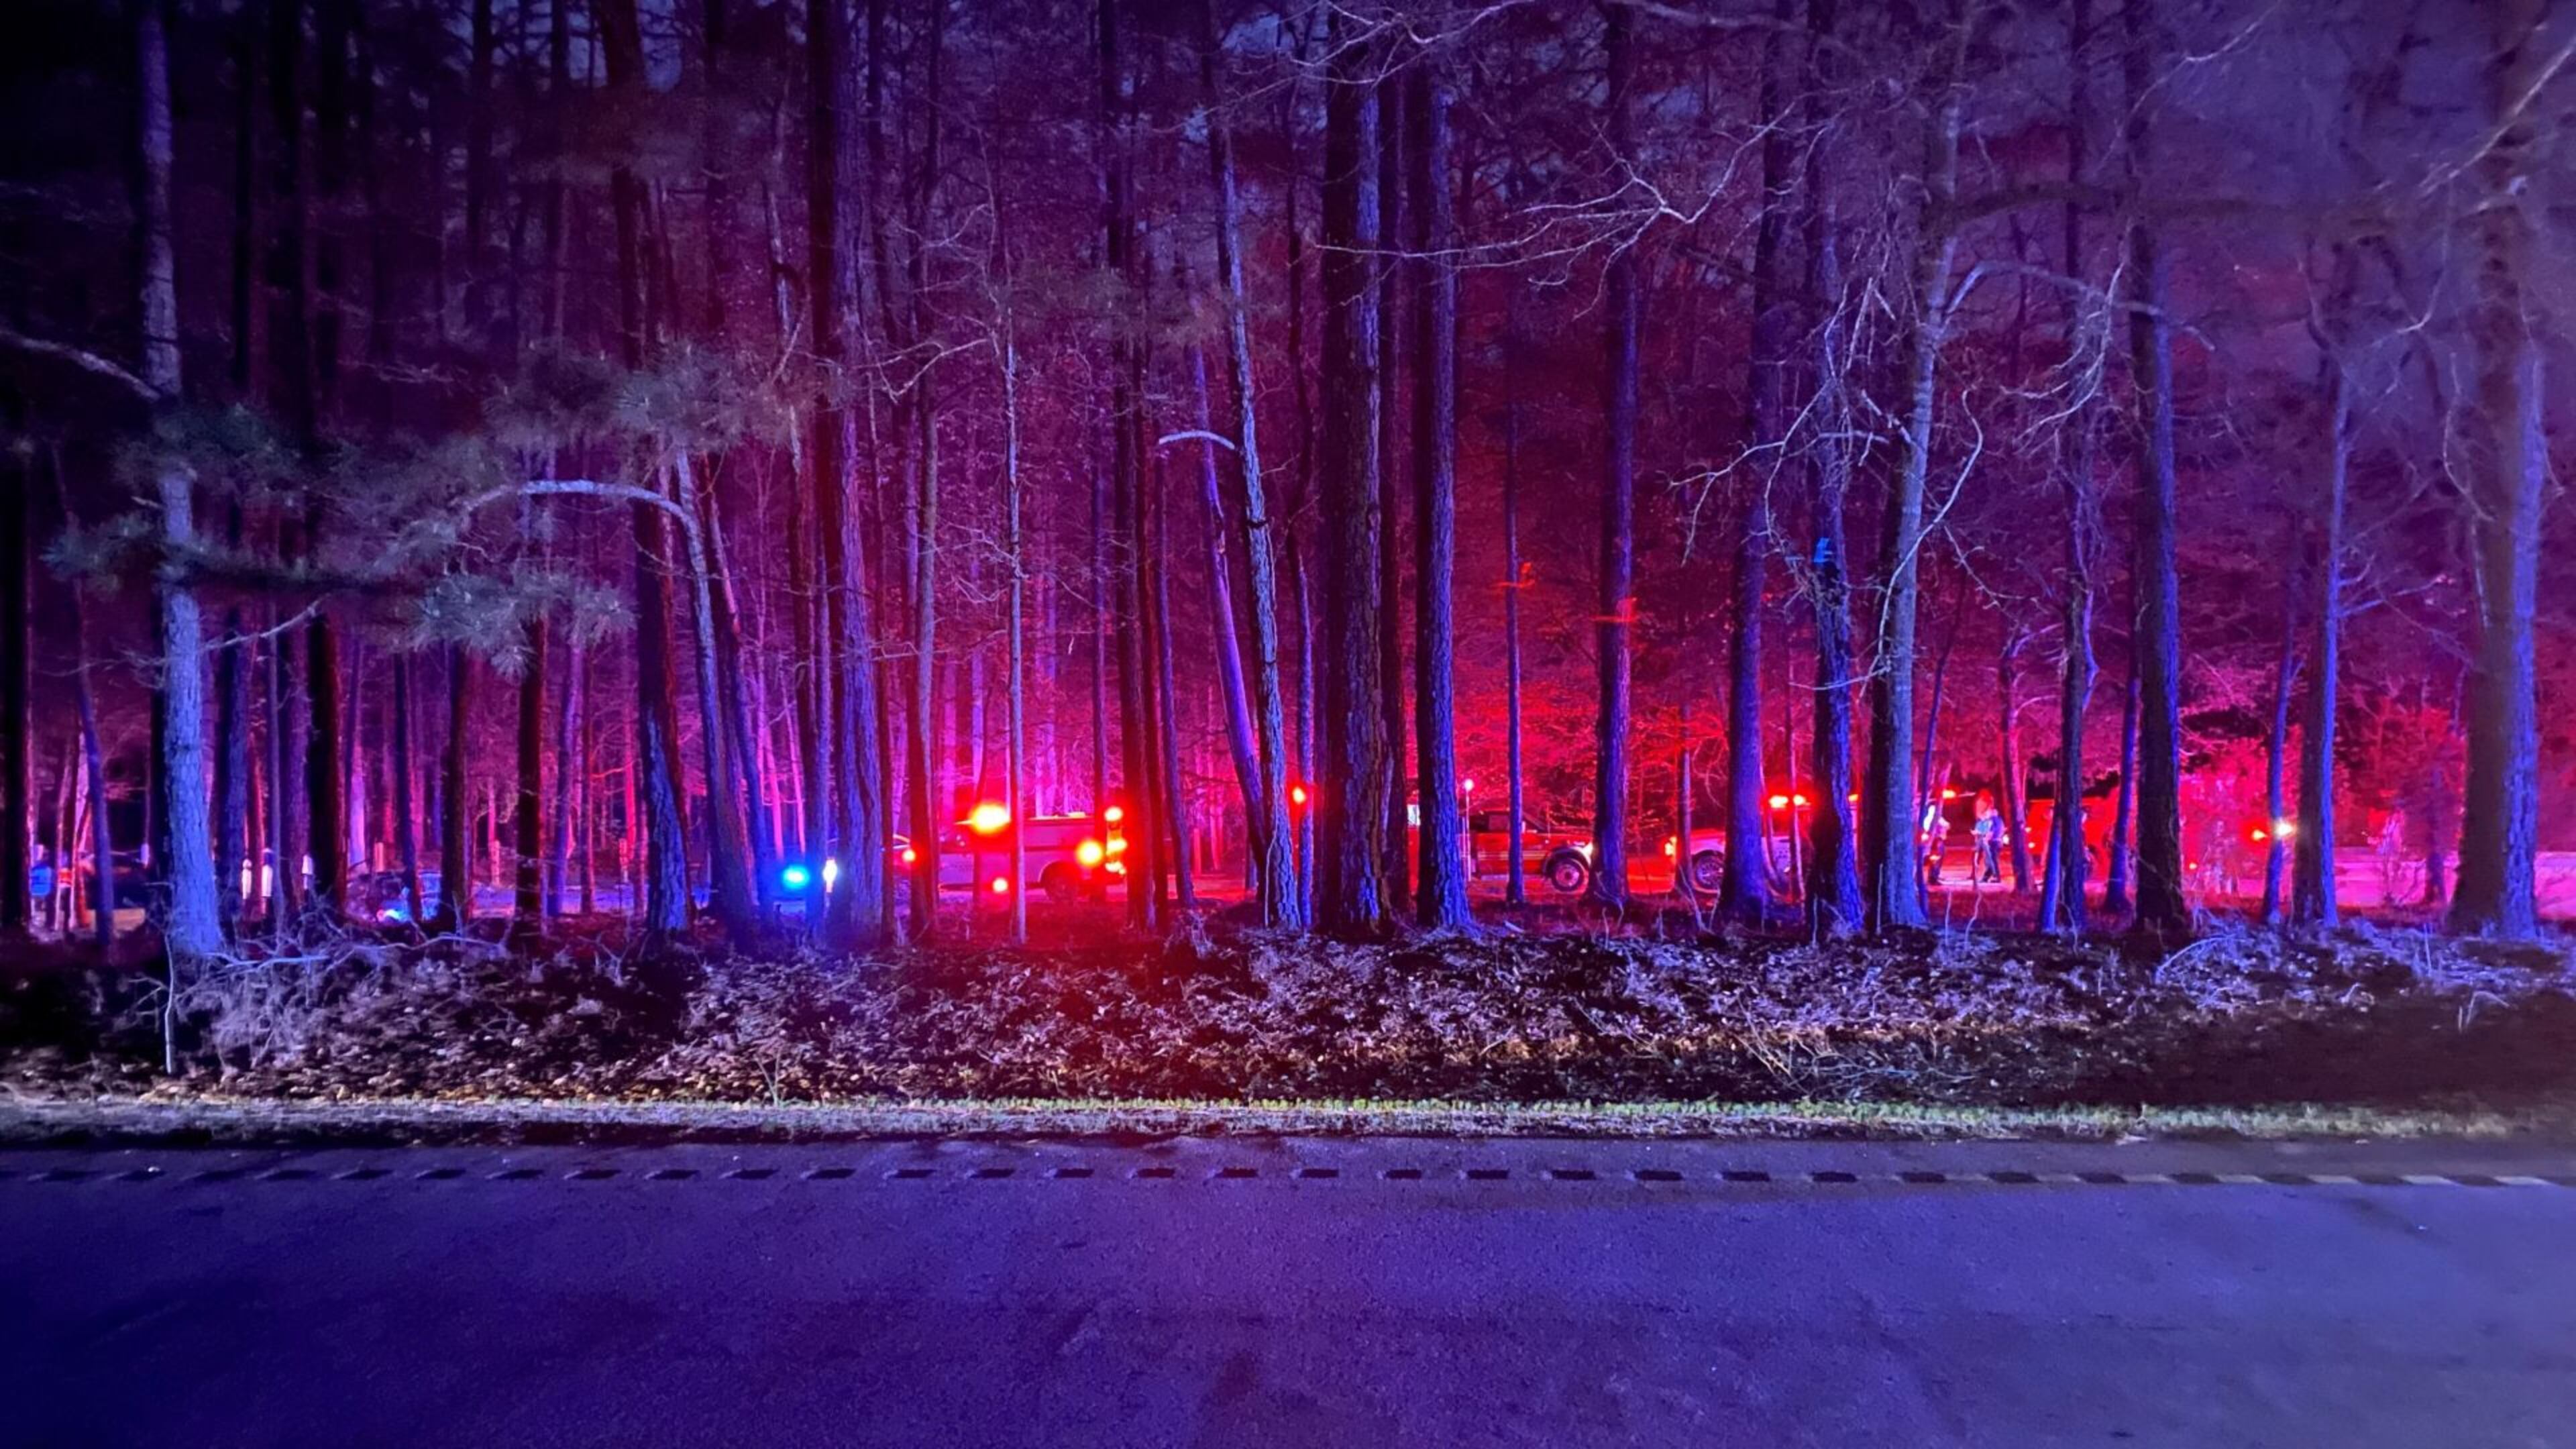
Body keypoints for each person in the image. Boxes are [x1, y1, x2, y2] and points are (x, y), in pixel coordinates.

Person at [1971, 792, 2003, 883]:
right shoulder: (1999, 820)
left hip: (1993, 842)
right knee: (1990, 860)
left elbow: (1991, 831)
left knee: (1992, 861)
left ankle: (1996, 877)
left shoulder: (1993, 820)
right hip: (1997, 842)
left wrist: (1985, 838)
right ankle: (1986, 877)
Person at [1921, 798, 1951, 885]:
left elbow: (1947, 825)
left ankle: (1935, 875)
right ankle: (1933, 878)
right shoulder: (1933, 816)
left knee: (1937, 858)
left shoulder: (1935, 817)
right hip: (1936, 840)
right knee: (1936, 859)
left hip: (1937, 840)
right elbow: (1946, 825)